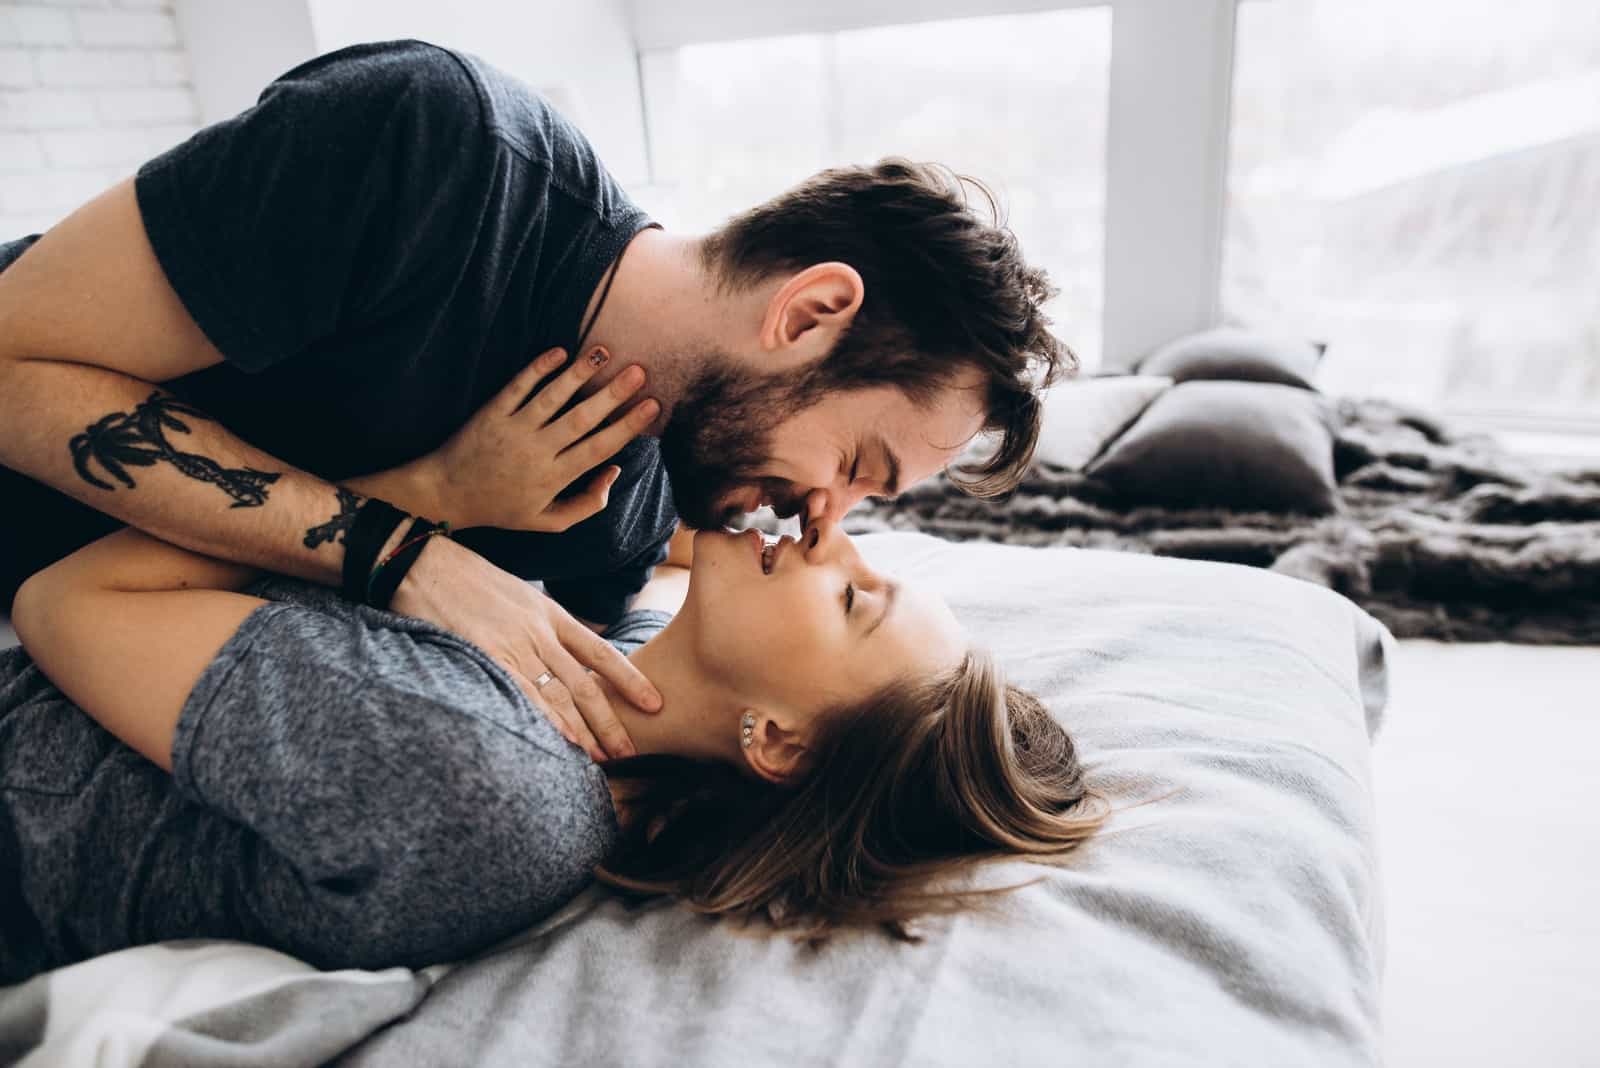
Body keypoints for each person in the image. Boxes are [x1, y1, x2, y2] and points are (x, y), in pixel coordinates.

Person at [0, 39, 1074, 762]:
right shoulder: (435, 153)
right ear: (806, 314)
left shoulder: (619, 513)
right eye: (856, 467)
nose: (823, 517)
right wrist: (409, 532)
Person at [1, 477, 1107, 984]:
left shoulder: (488, 780)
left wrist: (422, 494)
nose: (839, 539)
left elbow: (64, 605)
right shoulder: (588, 661)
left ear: (778, 743)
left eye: (855, 601)